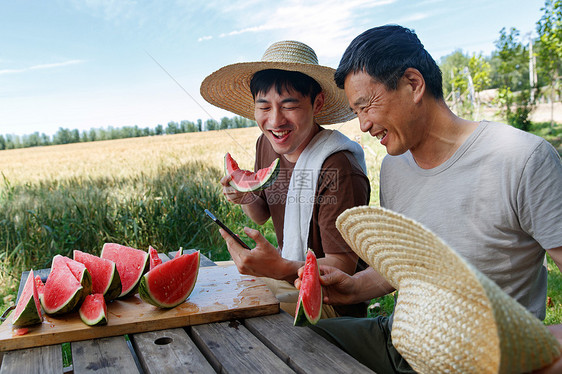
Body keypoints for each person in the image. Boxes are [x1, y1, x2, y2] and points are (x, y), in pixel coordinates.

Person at [294, 25, 562, 373]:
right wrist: (354, 287)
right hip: (399, 336)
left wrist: (534, 354)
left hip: (471, 359)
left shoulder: (523, 158)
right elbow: (410, 267)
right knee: (295, 344)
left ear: (413, 84)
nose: (363, 125)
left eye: (366, 106)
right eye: (356, 111)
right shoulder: (394, 167)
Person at [200, 40, 371, 317]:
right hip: (285, 280)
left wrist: (279, 267)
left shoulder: (339, 167)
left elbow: (342, 266)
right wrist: (247, 195)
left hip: (331, 305)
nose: (275, 121)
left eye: (289, 106)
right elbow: (260, 215)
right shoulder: (265, 144)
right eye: (264, 107)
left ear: (317, 103)